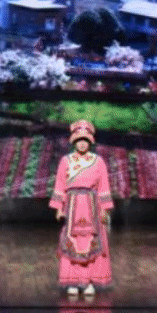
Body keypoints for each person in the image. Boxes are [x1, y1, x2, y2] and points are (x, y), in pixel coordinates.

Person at [50, 120, 114, 297]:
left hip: (92, 206)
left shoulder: (98, 161)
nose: (82, 143)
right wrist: (59, 207)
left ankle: (88, 282)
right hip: (72, 207)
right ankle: (72, 281)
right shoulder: (66, 161)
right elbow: (60, 184)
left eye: (85, 140)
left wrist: (105, 209)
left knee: (91, 243)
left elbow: (104, 186)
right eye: (79, 140)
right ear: (73, 141)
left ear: (91, 141)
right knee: (72, 243)